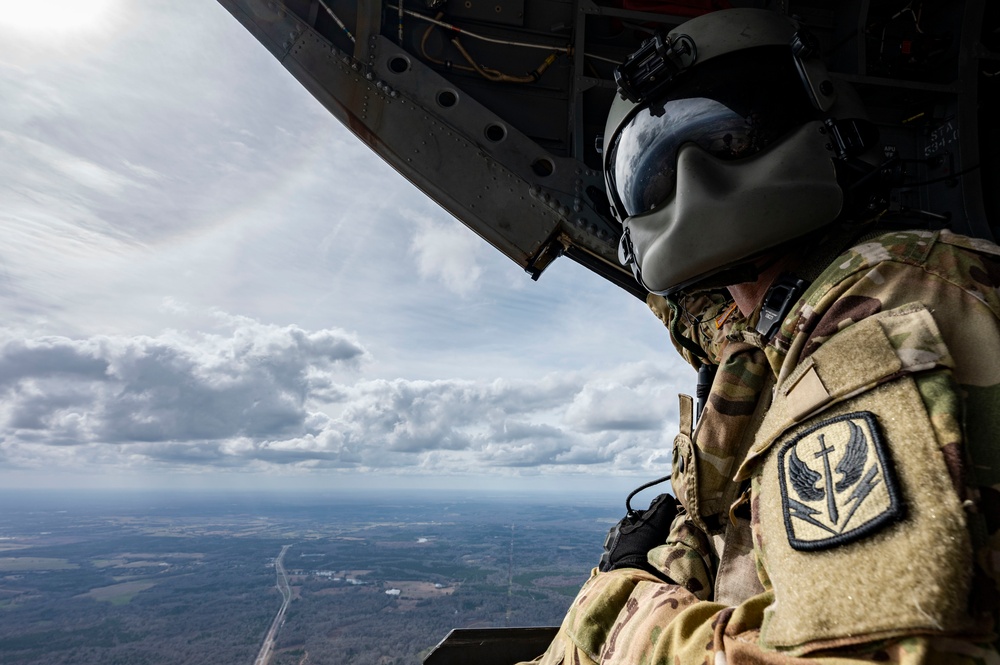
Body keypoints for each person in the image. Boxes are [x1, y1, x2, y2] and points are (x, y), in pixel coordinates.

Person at [518, 8, 1000, 664]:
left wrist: (615, 604)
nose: (697, 179)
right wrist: (680, 562)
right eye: (657, 170)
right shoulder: (788, 315)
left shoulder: (880, 310)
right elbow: (719, 330)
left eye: (730, 136)